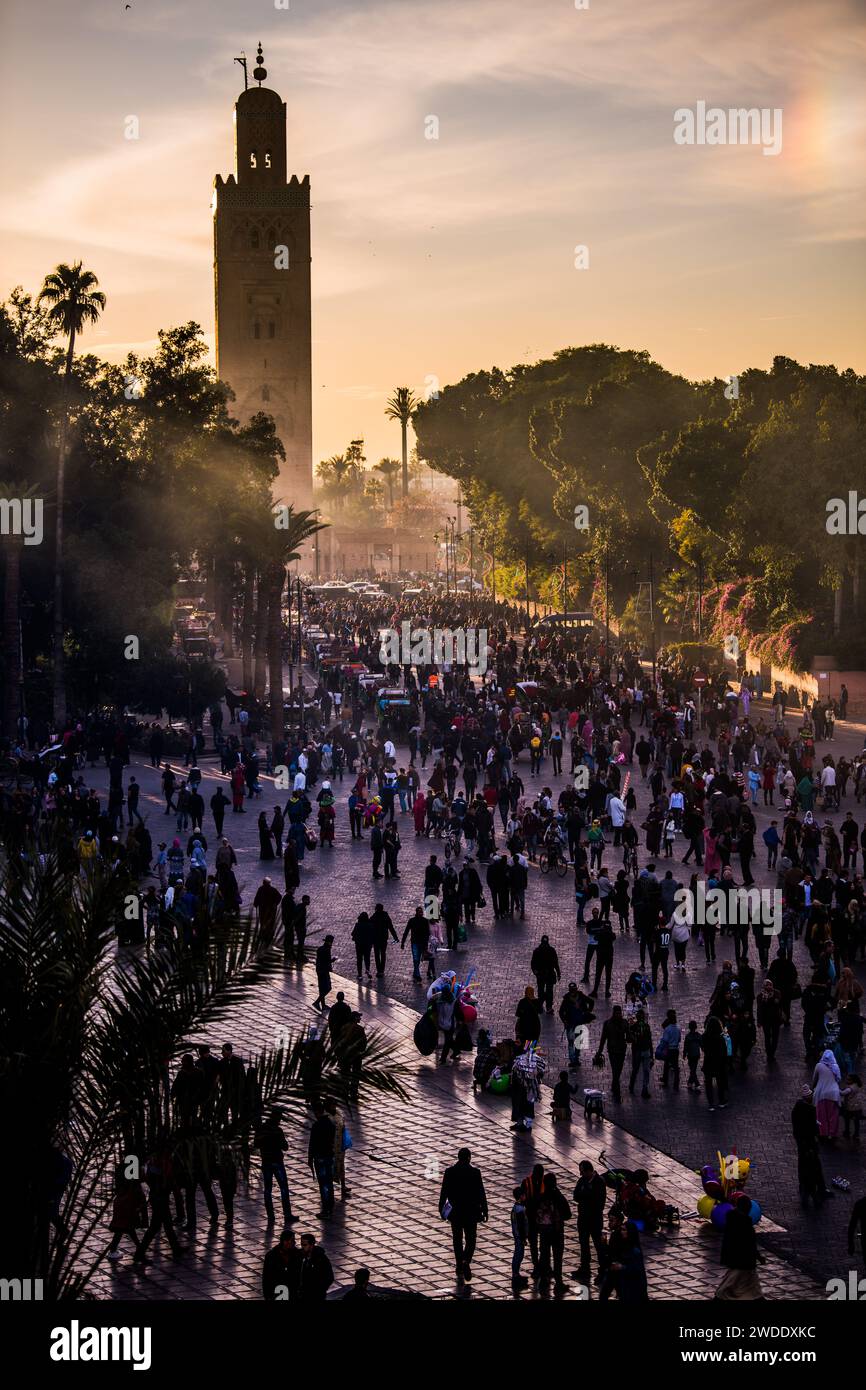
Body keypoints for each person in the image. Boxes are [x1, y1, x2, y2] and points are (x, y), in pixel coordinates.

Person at [439, 1147, 488, 1285]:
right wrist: (485, 1210)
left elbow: (444, 1192)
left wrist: (441, 1209)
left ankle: (459, 1264)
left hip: (456, 1212)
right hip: (471, 1212)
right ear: (469, 1158)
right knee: (471, 1239)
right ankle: (466, 1260)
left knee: (457, 1239)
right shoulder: (475, 1172)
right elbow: (480, 1193)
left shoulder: (450, 1172)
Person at [714, 1195, 766, 1300]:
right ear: (747, 1208)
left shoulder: (732, 1219)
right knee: (732, 1284)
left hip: (736, 1259)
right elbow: (750, 1244)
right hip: (744, 1261)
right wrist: (759, 1257)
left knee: (749, 1285)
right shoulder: (745, 1223)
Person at [254, 1108, 296, 1226]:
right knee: (283, 1188)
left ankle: (270, 1216)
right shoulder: (278, 1131)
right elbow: (285, 1147)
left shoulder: (261, 1129)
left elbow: (256, 1144)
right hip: (277, 1161)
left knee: (268, 1190)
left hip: (266, 1162)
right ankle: (287, 1214)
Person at [534, 1172, 572, 1290]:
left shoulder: (540, 1197)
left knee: (544, 1256)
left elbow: (533, 1213)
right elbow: (567, 1214)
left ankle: (544, 1281)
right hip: (556, 1231)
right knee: (557, 1258)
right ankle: (558, 1282)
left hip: (544, 1231)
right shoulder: (558, 1196)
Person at [572, 1159, 606, 1283]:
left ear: (589, 1170)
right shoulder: (582, 1181)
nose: (580, 1174)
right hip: (583, 1218)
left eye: (582, 1172)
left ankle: (603, 1270)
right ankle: (584, 1268)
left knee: (598, 1245)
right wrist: (586, 1194)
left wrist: (584, 1194)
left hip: (595, 1219)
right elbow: (576, 1196)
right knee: (583, 1244)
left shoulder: (599, 1182)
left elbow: (597, 1202)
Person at [308, 1102, 337, 1217]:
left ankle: (326, 1209)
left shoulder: (316, 1125)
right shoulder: (330, 1123)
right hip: (329, 1155)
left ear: (317, 1112)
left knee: (323, 1183)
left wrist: (310, 1158)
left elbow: (312, 1143)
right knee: (329, 1182)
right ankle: (330, 1205)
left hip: (320, 1157)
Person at [262, 1228, 302, 1301]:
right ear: (284, 1241)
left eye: (293, 1240)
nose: (292, 1242)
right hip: (279, 1290)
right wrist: (268, 1295)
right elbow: (267, 1277)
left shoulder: (298, 1254)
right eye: (289, 1240)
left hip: (293, 1290)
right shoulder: (272, 1255)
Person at [812, 1048, 842, 1138]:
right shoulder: (835, 1066)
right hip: (834, 1094)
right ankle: (832, 1133)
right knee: (833, 1115)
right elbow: (838, 1080)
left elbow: (814, 1079)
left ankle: (823, 1132)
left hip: (821, 1093)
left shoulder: (819, 1065)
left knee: (822, 1115)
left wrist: (812, 1087)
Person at [297, 1233, 334, 1301]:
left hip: (315, 1296)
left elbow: (329, 1277)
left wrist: (319, 1291)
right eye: (301, 1244)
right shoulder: (299, 1256)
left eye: (305, 1245)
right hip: (302, 1295)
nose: (302, 1247)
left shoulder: (321, 1259)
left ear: (311, 1245)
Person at [312, 935, 335, 1011]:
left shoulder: (320, 948)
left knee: (322, 988)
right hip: (324, 971)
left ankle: (323, 1005)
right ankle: (317, 1002)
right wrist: (333, 960)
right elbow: (327, 961)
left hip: (319, 970)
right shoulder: (327, 950)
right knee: (328, 988)